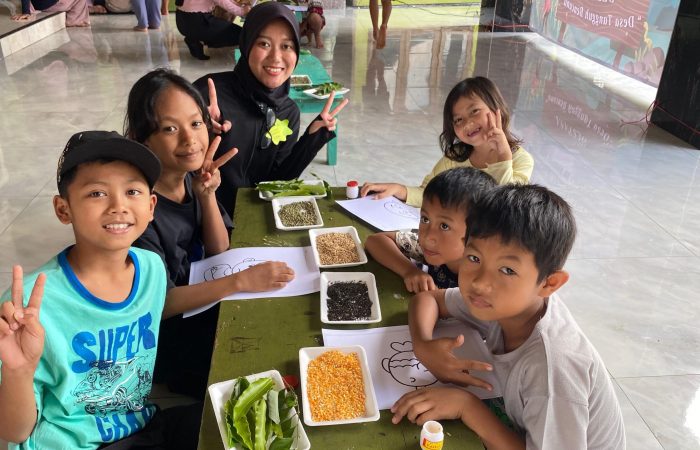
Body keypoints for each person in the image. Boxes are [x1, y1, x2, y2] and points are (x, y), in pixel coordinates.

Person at [0, 131, 202, 449]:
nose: (118, 206)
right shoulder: (28, 306)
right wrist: (19, 372)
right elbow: (14, 432)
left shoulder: (151, 269)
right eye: (97, 193)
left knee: (226, 418)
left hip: (139, 427)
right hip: (69, 443)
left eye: (132, 191)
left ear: (151, 206)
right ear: (63, 209)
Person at [391, 184, 626, 449]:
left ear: (549, 283)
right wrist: (423, 345)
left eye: (507, 270)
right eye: (474, 257)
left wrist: (467, 406)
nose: (480, 283)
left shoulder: (552, 369)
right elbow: (428, 299)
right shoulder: (507, 303)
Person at [125, 69, 296, 398]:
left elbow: (220, 249)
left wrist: (206, 196)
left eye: (195, 123)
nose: (190, 140)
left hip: (204, 300)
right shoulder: (138, 212)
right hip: (166, 339)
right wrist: (239, 281)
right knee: (261, 362)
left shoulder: (188, 178)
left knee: (276, 312)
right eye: (170, 128)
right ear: (141, 139)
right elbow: (158, 303)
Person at [193, 1, 348, 215]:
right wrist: (198, 130)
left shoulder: (288, 112)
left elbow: (277, 182)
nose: (276, 57)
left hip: (253, 219)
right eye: (264, 43)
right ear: (247, 44)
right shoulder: (209, 94)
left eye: (286, 46)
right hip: (203, 219)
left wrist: (312, 139)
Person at [360, 77, 534, 207]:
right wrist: (399, 190)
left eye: (474, 111)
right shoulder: (455, 156)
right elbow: (430, 193)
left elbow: (505, 205)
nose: (467, 123)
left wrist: (503, 155)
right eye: (458, 120)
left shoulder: (521, 160)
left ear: (497, 108)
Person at [365, 167, 495, 293]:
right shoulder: (432, 248)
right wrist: (409, 271)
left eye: (444, 226)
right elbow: (375, 241)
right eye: (425, 219)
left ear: (477, 234)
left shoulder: (484, 281)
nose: (427, 237)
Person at [175, 0, 250, 60]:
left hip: (182, 21)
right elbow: (224, 3)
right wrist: (242, 11)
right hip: (199, 22)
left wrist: (237, 5)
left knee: (235, 22)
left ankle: (193, 39)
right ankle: (199, 39)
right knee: (240, 31)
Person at [13, 0, 89, 27]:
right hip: (45, 4)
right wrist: (26, 12)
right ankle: (75, 21)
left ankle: (75, 20)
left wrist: (26, 11)